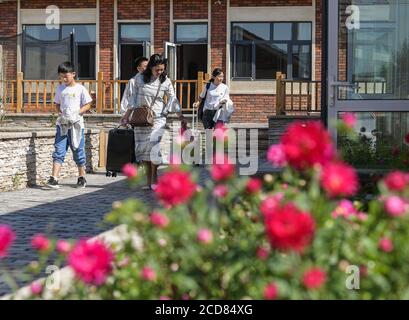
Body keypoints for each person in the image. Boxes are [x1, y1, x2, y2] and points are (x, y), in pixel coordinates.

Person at [121, 54, 182, 190]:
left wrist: (178, 114)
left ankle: (154, 177)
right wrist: (126, 116)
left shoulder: (165, 81)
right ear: (150, 68)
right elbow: (132, 99)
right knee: (144, 150)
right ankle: (149, 178)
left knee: (154, 145)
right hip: (141, 118)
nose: (159, 72)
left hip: (158, 118)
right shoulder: (139, 79)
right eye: (157, 70)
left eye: (162, 69)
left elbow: (172, 98)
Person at [46, 61, 93, 189]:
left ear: (73, 74)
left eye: (66, 76)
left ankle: (81, 177)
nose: (64, 79)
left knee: (78, 150)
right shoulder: (60, 89)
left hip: (76, 125)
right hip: (62, 125)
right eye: (61, 77)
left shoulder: (80, 89)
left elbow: (88, 104)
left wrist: (77, 112)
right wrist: (62, 113)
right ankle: (54, 178)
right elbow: (57, 104)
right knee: (59, 150)